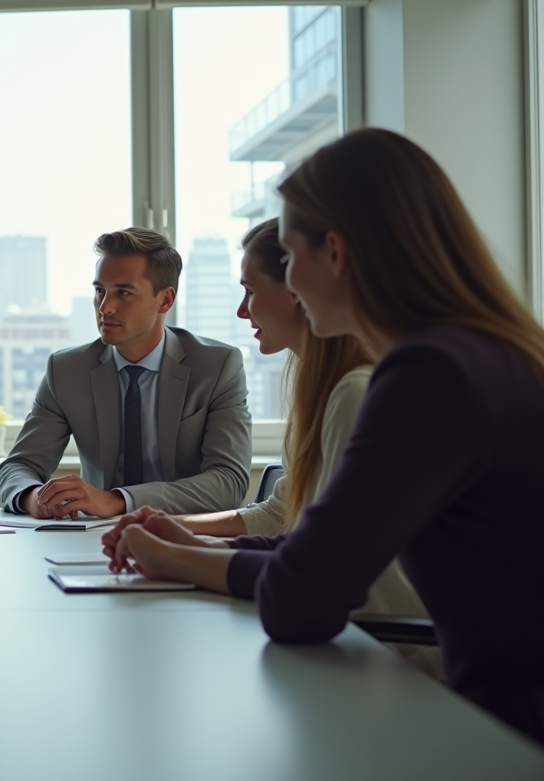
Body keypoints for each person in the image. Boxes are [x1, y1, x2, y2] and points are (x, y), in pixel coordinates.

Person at [103, 128, 544, 743]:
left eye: (291, 254)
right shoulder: (485, 356)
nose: (289, 283)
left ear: (334, 253)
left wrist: (170, 557)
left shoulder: (426, 376)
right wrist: (188, 548)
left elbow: (302, 597)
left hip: (494, 732)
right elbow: (317, 549)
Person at [173, 218, 440, 678]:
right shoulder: (320, 386)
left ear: (296, 289)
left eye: (250, 291)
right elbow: (286, 518)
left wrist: (183, 556)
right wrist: (180, 533)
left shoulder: (357, 393)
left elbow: (315, 570)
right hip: (356, 640)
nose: (242, 311)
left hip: (395, 658)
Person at [0, 227, 251, 519]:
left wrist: (118, 501)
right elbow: (18, 467)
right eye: (100, 291)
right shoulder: (66, 370)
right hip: (92, 540)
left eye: (123, 293)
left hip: (184, 535)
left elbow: (229, 481)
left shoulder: (217, 366)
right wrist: (34, 498)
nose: (105, 307)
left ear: (165, 300)